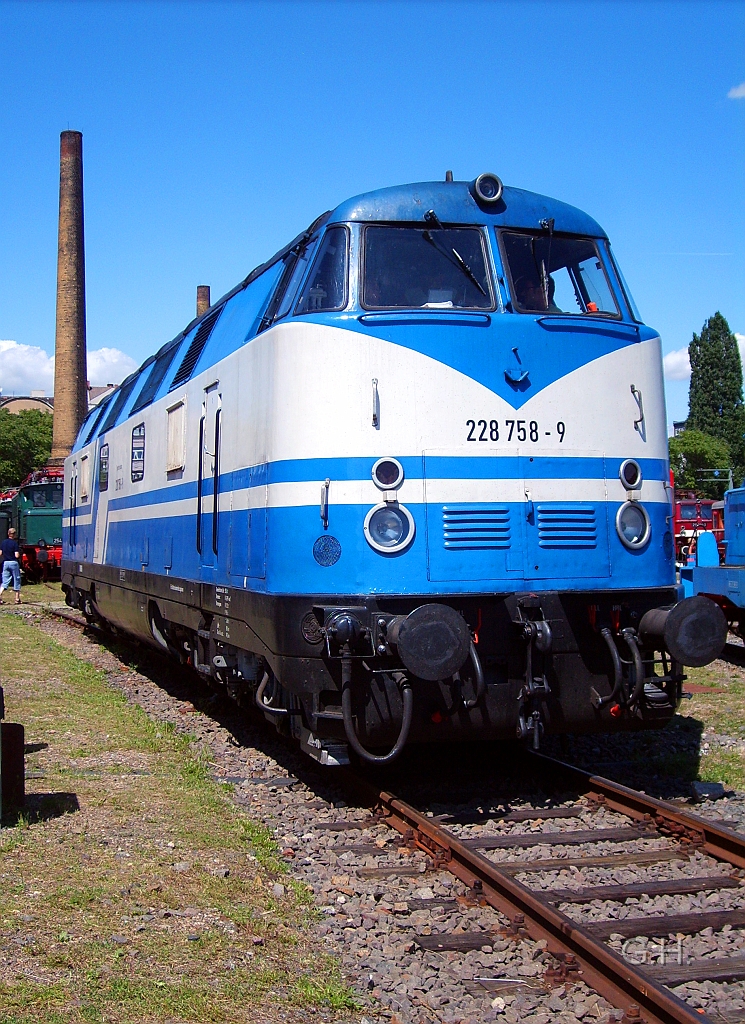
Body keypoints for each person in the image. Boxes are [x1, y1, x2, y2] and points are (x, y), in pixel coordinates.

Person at [0, 527, 22, 604]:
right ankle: (17, 599)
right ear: (14, 535)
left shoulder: (3, 542)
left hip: (5, 563)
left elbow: (0, 553)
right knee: (17, 579)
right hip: (13, 563)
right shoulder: (14, 543)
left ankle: (0, 596)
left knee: (5, 581)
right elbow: (16, 555)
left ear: (8, 534)